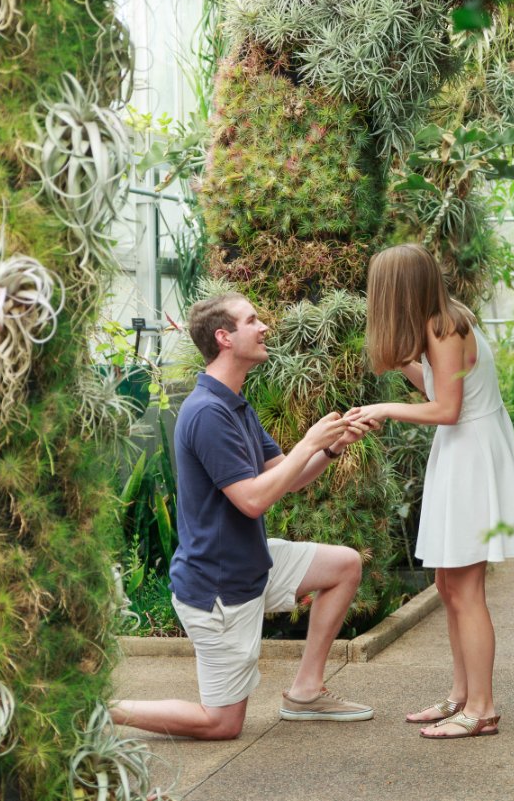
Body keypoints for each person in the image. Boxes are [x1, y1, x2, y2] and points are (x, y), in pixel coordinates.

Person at [111, 293, 376, 740]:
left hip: (250, 564)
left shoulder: (234, 404)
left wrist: (331, 447)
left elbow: (286, 478)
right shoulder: (208, 413)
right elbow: (252, 501)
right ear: (224, 337)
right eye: (252, 320)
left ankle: (306, 692)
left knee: (344, 564)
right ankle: (105, 710)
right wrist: (310, 442)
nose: (264, 327)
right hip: (218, 590)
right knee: (221, 724)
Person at [346, 244, 514, 739]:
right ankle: (461, 696)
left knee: (467, 589)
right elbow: (441, 390)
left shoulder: (444, 327)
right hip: (462, 452)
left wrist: (384, 409)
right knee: (448, 586)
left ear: (397, 290)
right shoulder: (441, 324)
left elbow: (447, 409)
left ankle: (482, 709)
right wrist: (405, 366)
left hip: (470, 453)